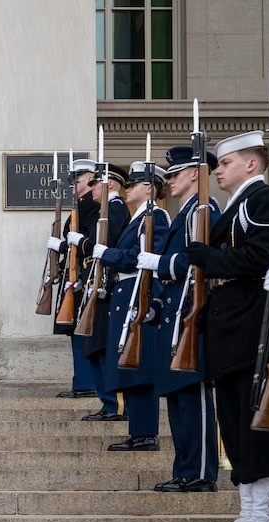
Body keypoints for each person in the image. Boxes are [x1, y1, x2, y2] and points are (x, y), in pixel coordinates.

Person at [187, 131, 269, 522]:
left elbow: (262, 256)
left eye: (225, 163)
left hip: (251, 328)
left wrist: (211, 258)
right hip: (231, 327)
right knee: (236, 425)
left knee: (254, 427)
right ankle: (252, 518)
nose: (217, 170)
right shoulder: (234, 206)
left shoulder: (262, 199)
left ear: (252, 164)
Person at [139, 146, 220, 491]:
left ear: (194, 174)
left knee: (193, 395)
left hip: (192, 312)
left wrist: (159, 264)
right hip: (176, 313)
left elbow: (199, 261)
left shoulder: (202, 211)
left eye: (174, 174)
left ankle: (200, 472)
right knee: (178, 395)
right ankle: (185, 468)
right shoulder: (186, 212)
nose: (168, 180)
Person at [97, 162, 170, 451]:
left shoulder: (156, 217)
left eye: (133, 185)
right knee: (130, 365)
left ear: (149, 188)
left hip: (138, 292)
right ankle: (138, 430)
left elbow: (142, 256)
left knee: (139, 366)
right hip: (125, 292)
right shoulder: (137, 218)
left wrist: (108, 254)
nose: (127, 189)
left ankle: (146, 433)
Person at [67, 164, 130, 421]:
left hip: (107, 286)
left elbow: (100, 245)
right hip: (94, 284)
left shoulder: (114, 209)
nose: (91, 188)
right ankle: (107, 402)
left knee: (103, 346)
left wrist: (78, 242)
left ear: (110, 185)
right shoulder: (106, 210)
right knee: (94, 346)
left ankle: (116, 404)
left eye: (96, 184)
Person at [47, 158, 100, 398]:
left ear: (90, 180)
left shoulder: (93, 206)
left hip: (82, 276)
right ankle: (81, 382)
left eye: (76, 180)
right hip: (73, 275)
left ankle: (86, 383)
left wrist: (66, 244)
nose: (72, 185)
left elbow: (88, 240)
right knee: (75, 330)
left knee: (82, 330)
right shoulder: (79, 206)